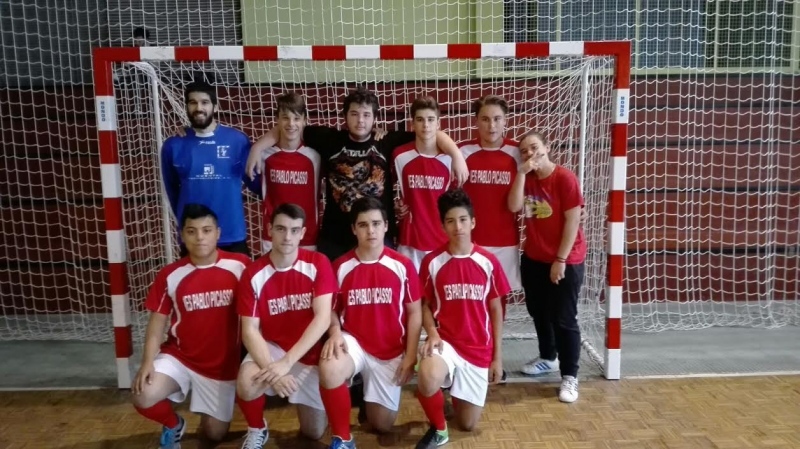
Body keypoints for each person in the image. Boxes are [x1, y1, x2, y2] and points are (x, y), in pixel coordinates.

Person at [244, 87, 468, 262]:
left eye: (366, 115)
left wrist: (456, 155)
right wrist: (257, 148)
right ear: (345, 116)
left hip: (378, 235)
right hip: (336, 238)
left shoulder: (386, 141)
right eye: (354, 114)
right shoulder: (329, 139)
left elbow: (429, 132)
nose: (360, 120)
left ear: (375, 118)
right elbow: (291, 125)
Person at [131, 204, 250, 449]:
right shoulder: (170, 274)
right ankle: (173, 424)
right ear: (182, 235)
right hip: (179, 357)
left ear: (218, 233)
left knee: (214, 434)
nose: (200, 237)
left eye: (206, 230)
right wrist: (147, 362)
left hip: (221, 368)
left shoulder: (241, 266)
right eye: (192, 231)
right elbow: (156, 324)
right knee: (143, 394)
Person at [317, 196, 422, 449]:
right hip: (354, 342)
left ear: (386, 226)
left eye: (376, 224)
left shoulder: (403, 265)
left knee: (382, 425)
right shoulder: (340, 266)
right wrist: (335, 332)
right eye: (363, 225)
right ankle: (343, 438)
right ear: (354, 229)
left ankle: (367, 394)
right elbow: (331, 310)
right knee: (330, 366)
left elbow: (415, 313)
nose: (370, 231)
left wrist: (410, 356)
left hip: (389, 350)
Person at [235, 203, 337, 449]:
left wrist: (287, 363)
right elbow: (249, 330)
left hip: (307, 353)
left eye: (294, 230)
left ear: (303, 233)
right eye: (281, 229)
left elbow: (323, 318)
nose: (287, 237)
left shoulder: (318, 263)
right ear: (269, 229)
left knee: (313, 432)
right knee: (247, 382)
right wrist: (274, 369)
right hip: (273, 349)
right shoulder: (253, 273)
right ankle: (257, 428)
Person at [414, 189, 510, 448]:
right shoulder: (432, 262)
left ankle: (455, 385)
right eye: (450, 221)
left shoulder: (488, 262)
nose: (457, 227)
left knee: (467, 424)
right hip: (447, 342)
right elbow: (424, 305)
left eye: (463, 220)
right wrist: (432, 333)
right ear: (442, 226)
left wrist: (497, 358)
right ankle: (439, 429)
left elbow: (496, 310)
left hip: (478, 348)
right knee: (427, 376)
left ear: (473, 222)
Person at [507, 131, 586, 403]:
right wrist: (521, 173)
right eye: (524, 151)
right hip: (534, 259)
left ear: (547, 147)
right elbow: (513, 206)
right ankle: (548, 357)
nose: (530, 154)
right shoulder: (527, 179)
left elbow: (573, 221)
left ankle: (570, 375)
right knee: (539, 312)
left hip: (565, 259)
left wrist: (560, 260)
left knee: (563, 318)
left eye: (534, 147)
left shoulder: (565, 178)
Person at [161, 81, 258, 257]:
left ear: (215, 106)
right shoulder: (173, 145)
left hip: (232, 236)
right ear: (186, 106)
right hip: (194, 240)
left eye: (204, 102)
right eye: (193, 102)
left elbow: (256, 184)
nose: (199, 108)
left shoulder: (238, 141)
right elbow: (172, 191)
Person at [458, 95, 522, 291]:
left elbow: (542, 182)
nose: (491, 125)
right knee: (472, 298)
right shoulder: (462, 152)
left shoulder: (518, 152)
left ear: (505, 120)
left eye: (497, 119)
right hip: (470, 241)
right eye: (485, 119)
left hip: (505, 241)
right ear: (476, 121)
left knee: (499, 299)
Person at [392, 96, 452, 270]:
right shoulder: (399, 155)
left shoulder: (450, 160)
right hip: (409, 240)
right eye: (420, 120)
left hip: (440, 240)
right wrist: (395, 205)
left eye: (431, 119)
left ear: (438, 124)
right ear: (412, 124)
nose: (426, 125)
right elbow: (384, 186)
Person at [258, 92, 322, 253]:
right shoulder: (263, 156)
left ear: (304, 120)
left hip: (307, 237)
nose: (291, 123)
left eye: (296, 118)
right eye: (285, 118)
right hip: (273, 238)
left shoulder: (315, 157)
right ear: (277, 120)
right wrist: (255, 149)